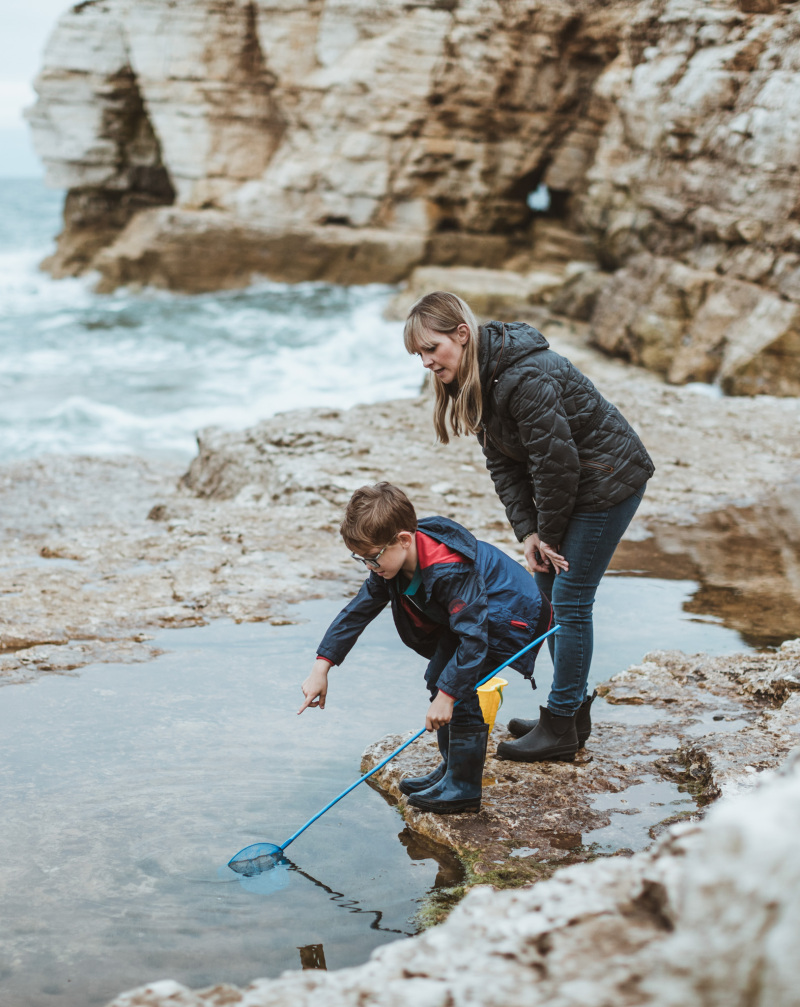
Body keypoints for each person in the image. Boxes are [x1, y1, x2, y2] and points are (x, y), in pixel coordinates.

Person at [403, 291, 654, 763]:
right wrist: (529, 534)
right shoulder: (476, 377)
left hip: (608, 480)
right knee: (546, 596)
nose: (426, 362)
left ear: (461, 334)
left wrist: (551, 536)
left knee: (570, 599)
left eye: (431, 349)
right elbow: (504, 464)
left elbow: (556, 466)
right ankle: (571, 714)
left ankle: (560, 726)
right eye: (419, 355)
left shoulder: (524, 376)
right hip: (574, 486)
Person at [299, 482, 551, 814]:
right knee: (439, 676)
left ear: (403, 540)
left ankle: (463, 787)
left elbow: (475, 641)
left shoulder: (450, 569)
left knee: (457, 688)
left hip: (509, 616)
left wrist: (448, 697)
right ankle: (451, 768)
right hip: (470, 618)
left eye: (372, 558)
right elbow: (357, 612)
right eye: (361, 560)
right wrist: (321, 667)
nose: (370, 568)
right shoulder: (390, 564)